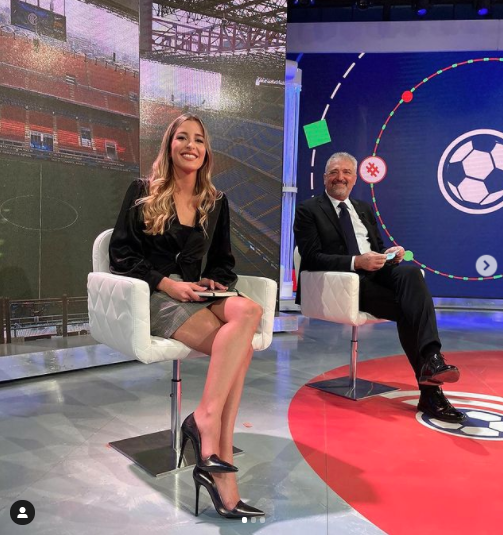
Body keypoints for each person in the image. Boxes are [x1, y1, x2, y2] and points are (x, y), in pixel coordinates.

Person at [109, 113, 264, 519]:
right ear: (170, 145)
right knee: (242, 350)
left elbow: (224, 260)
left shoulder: (216, 201)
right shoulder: (142, 191)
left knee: (251, 309)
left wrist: (216, 281)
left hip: (199, 291)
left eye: (198, 139)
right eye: (182, 137)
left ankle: (203, 420)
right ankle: (223, 477)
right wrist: (166, 283)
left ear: (206, 151)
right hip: (159, 295)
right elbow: (120, 254)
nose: (190, 145)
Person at [294, 151, 465, 424]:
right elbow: (311, 256)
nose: (340, 177)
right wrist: (356, 261)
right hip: (346, 282)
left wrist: (389, 255)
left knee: (410, 273)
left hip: (375, 273)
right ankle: (431, 391)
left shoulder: (362, 208)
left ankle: (433, 358)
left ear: (354, 179)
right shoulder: (308, 210)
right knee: (410, 310)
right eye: (334, 172)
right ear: (325, 178)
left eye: (346, 172)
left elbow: (375, 247)